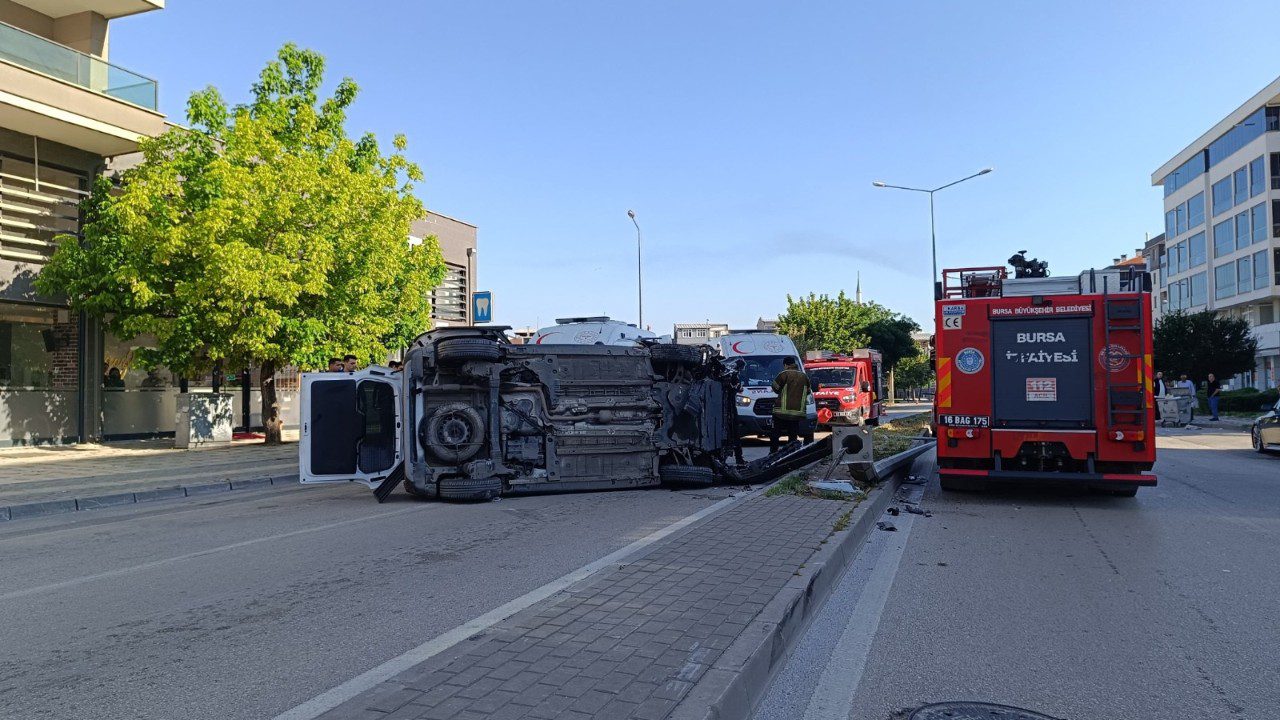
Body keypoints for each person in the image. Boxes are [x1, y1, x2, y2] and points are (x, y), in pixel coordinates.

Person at [769, 357, 813, 453]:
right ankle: (790, 454)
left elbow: (775, 388)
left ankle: (773, 453)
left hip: (781, 412)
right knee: (793, 435)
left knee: (775, 434)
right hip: (797, 413)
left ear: (785, 365)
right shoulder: (804, 376)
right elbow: (808, 391)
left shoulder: (783, 375)